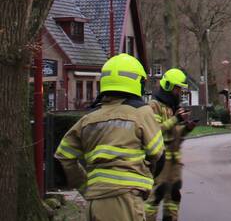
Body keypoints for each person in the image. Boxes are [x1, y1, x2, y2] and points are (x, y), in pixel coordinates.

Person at [55, 54, 165, 221]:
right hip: (124, 200)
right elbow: (158, 154)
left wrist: (86, 186)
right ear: (136, 82)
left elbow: (63, 155)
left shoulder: (89, 119)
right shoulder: (142, 112)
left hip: (94, 202)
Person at [145, 68, 195, 221]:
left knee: (174, 195)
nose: (179, 92)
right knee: (156, 195)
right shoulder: (154, 106)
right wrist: (175, 120)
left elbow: (175, 134)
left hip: (174, 163)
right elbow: (153, 131)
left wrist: (186, 128)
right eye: (177, 88)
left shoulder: (173, 107)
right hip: (160, 161)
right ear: (168, 86)